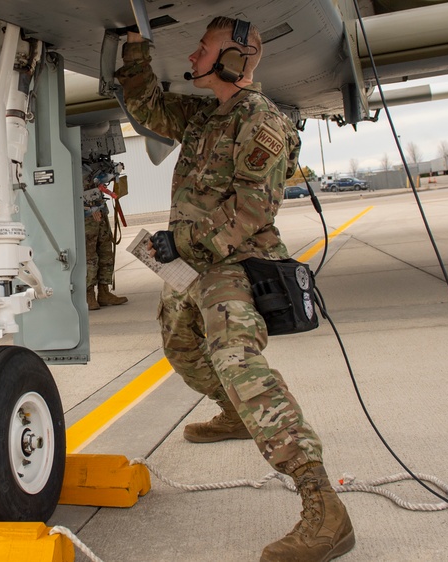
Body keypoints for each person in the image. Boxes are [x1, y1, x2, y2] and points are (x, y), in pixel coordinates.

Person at [116, 17, 355, 561]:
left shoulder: (261, 121)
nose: (194, 55)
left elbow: (253, 209)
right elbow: (148, 107)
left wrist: (184, 243)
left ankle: (323, 505)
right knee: (180, 347)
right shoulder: (205, 116)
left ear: (235, 59)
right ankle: (235, 415)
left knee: (236, 361)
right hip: (192, 263)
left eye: (204, 49)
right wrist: (134, 48)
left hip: (235, 261)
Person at [82, 156, 128, 310]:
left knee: (106, 250)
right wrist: (90, 204)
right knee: (90, 256)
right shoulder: (72, 162)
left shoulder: (93, 159)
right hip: (87, 213)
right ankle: (89, 295)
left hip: (99, 208)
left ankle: (104, 291)